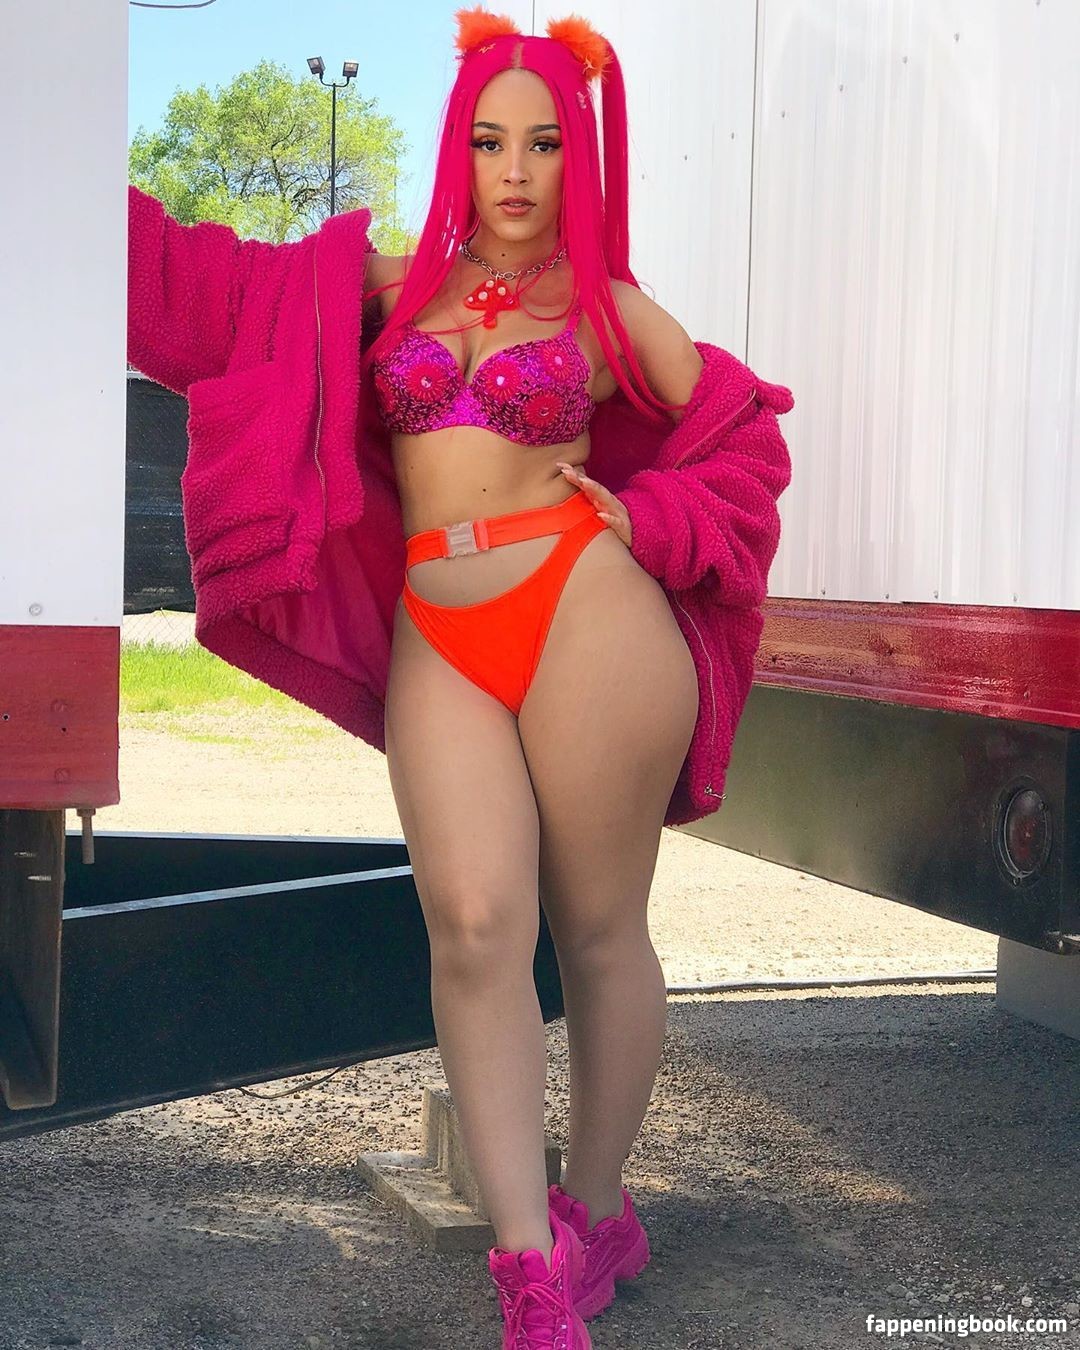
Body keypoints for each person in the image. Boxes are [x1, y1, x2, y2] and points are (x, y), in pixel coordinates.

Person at [126, 8, 795, 1345]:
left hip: (586, 609)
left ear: (575, 158)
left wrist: (653, 522)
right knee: (478, 921)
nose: (516, 169)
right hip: (441, 625)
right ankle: (528, 1266)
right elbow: (209, 291)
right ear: (458, 150)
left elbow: (746, 439)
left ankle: (594, 1212)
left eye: (544, 142)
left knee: (596, 929)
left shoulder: (609, 311)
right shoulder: (387, 292)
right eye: (490, 141)